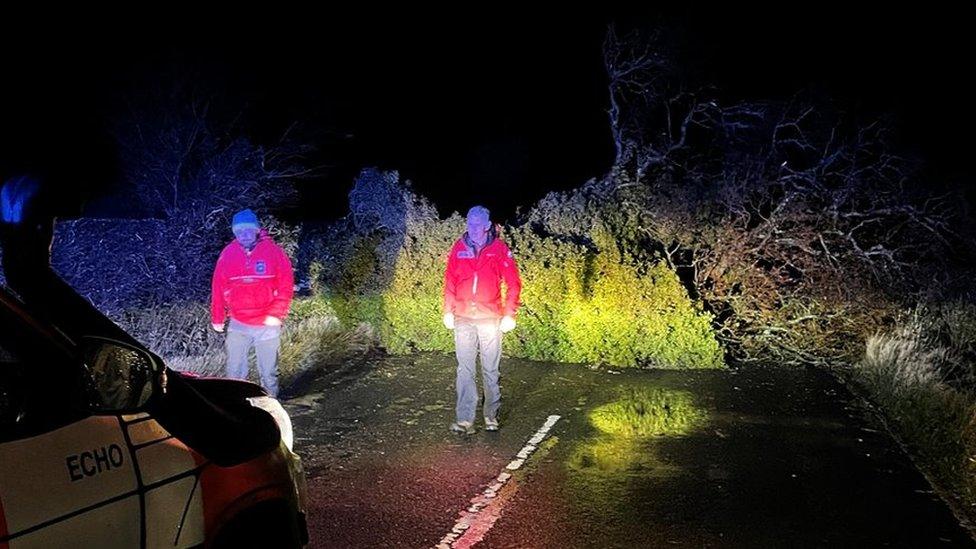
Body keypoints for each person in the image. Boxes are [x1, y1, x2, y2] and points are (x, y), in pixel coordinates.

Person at [443, 205, 522, 434]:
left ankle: (491, 416)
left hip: (490, 318)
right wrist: (448, 310)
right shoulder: (459, 247)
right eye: (469, 222)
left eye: (477, 224)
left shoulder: (498, 249)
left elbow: (513, 283)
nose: (472, 227)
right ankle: (465, 420)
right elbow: (450, 280)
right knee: (465, 369)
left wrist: (509, 314)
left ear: (487, 226)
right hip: (463, 317)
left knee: (490, 369)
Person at [211, 209, 294, 397]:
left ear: (257, 230)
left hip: (267, 322)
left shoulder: (274, 252)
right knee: (235, 371)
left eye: (248, 230)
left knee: (268, 372)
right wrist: (218, 316)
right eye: (239, 231)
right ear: (235, 233)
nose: (244, 235)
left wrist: (276, 314)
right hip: (238, 322)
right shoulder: (228, 254)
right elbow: (218, 286)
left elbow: (286, 284)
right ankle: (237, 404)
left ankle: (272, 406)